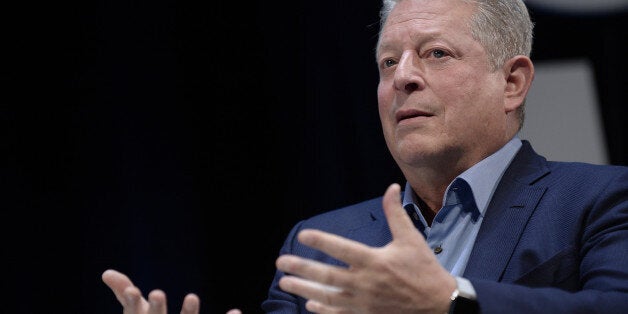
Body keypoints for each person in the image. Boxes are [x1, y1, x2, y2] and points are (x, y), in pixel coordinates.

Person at [103, 0, 628, 313]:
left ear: (512, 82)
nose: (402, 76)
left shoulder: (601, 201)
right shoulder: (322, 244)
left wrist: (450, 301)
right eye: (387, 62)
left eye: (435, 53)